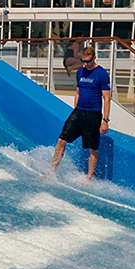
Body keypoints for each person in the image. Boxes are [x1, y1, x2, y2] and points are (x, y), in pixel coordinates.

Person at [47, 45, 111, 181]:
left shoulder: (102, 74)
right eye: (83, 61)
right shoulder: (80, 72)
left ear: (94, 58)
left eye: (88, 61)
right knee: (61, 140)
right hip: (78, 112)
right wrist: (75, 109)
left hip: (93, 114)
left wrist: (105, 120)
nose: (85, 64)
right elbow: (78, 92)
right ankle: (52, 171)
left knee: (92, 148)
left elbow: (106, 98)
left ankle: (88, 178)